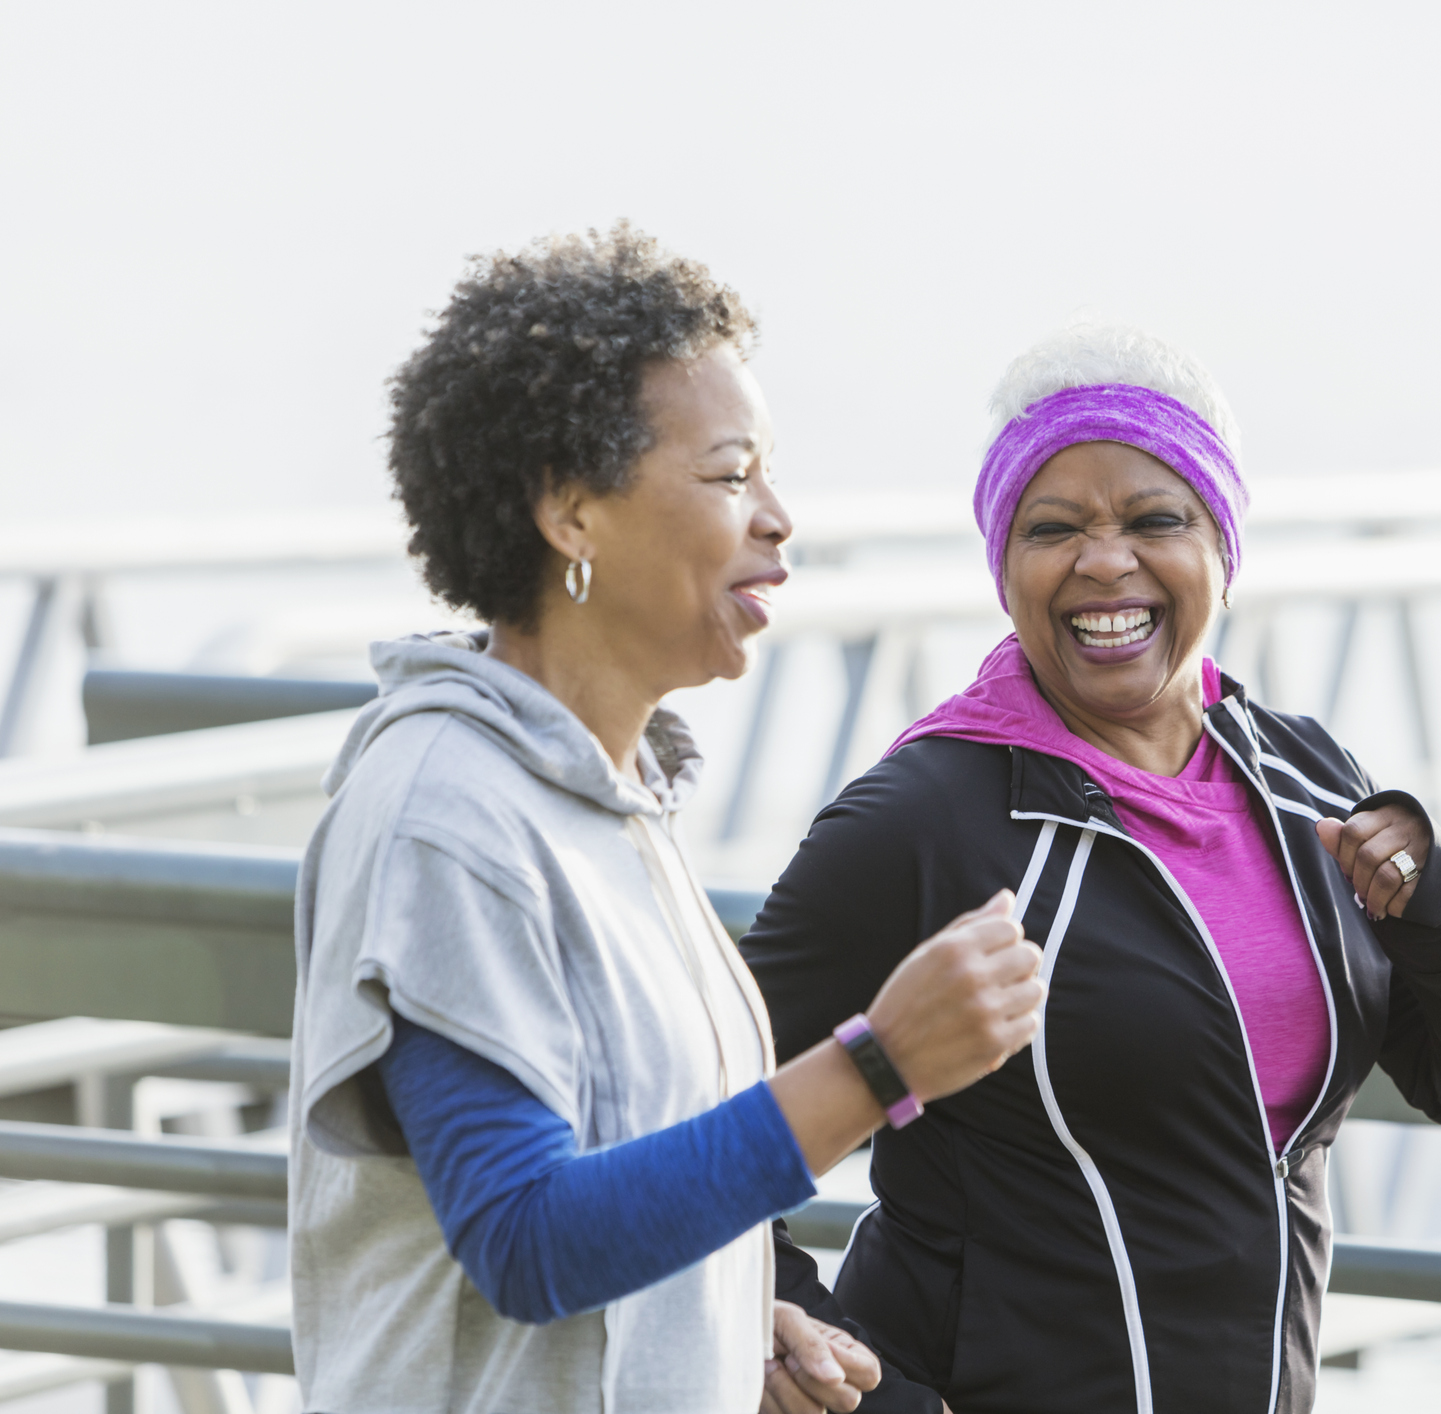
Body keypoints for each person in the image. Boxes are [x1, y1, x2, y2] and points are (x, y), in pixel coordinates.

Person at [289, 226, 1046, 1414]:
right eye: (731, 474)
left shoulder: (612, 800)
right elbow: (527, 1237)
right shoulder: (447, 813)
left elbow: (616, 1197)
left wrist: (731, 1310)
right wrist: (880, 1063)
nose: (778, 518)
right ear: (571, 512)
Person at [741, 323, 1441, 1414]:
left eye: (1153, 519)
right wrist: (820, 1359)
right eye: (1053, 527)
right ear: (1005, 565)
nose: (1104, 560)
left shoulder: (1307, 781)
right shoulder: (925, 819)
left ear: (1221, 544)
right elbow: (696, 1127)